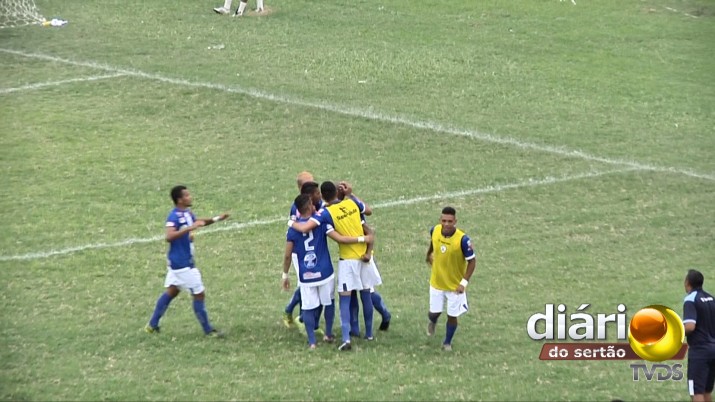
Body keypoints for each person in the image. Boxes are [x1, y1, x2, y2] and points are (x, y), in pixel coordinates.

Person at [289, 181, 381, 351]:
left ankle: (346, 338)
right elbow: (368, 210)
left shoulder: (325, 213)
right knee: (366, 295)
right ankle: (368, 334)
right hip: (366, 257)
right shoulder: (352, 202)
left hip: (348, 260)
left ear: (322, 196)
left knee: (345, 301)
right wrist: (350, 194)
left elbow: (305, 228)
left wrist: (291, 223)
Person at [145, 185, 230, 337]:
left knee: (172, 291)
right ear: (180, 200)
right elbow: (169, 236)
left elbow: (199, 222)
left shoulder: (187, 213)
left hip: (178, 263)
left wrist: (217, 218)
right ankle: (208, 330)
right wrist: (189, 228)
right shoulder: (174, 216)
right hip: (182, 264)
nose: (190, 197)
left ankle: (152, 325)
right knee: (199, 294)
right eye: (187, 195)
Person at [425, 206, 476, 351]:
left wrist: (463, 283)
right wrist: (428, 254)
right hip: (437, 282)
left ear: (455, 221)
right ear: (440, 220)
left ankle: (447, 342)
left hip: (455, 286)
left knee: (452, 316)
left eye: (450, 221)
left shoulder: (463, 240)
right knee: (434, 312)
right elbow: (433, 243)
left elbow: (472, 261)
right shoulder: (434, 230)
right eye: (444, 221)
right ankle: (432, 321)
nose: (446, 224)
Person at [283, 173, 325, 329]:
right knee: (306, 283)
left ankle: (299, 316)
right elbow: (295, 229)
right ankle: (301, 318)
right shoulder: (298, 207)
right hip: (300, 251)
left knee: (310, 283)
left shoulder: (317, 201)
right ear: (301, 188)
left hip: (313, 250)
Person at [683, 269, 715, 402]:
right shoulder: (711, 299)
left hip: (699, 352)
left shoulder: (690, 299)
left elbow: (690, 326)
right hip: (713, 349)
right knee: (706, 391)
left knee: (696, 392)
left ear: (688, 282)